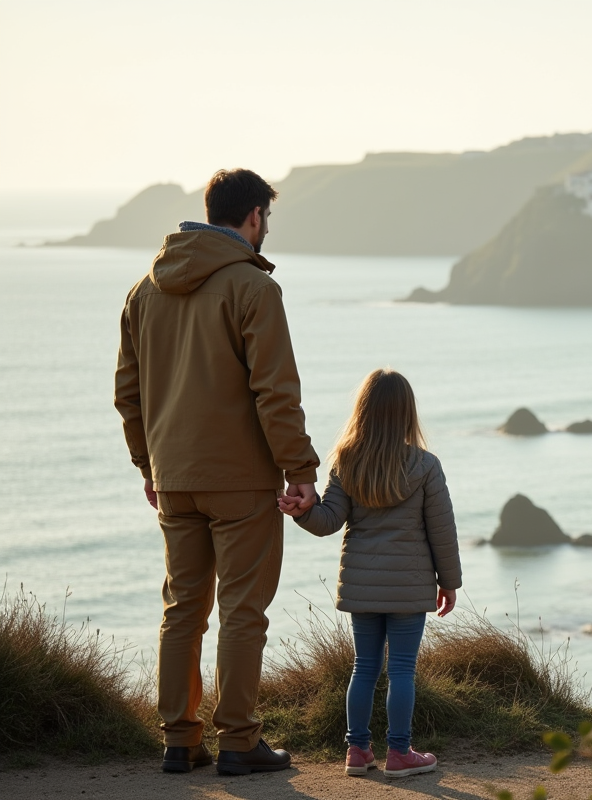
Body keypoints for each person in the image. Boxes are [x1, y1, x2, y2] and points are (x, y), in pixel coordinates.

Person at [114, 169, 319, 775]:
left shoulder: (143, 292)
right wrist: (300, 471)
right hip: (241, 479)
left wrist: (147, 464)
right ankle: (238, 743)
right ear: (254, 216)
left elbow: (129, 394)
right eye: (267, 220)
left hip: (173, 476)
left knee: (182, 609)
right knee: (242, 611)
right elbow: (274, 392)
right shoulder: (251, 288)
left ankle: (180, 741)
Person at [279, 368, 461, 779]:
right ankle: (400, 754)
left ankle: (357, 751)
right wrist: (449, 582)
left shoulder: (346, 461)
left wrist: (300, 513)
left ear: (363, 411)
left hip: (362, 585)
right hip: (409, 588)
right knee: (400, 670)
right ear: (406, 414)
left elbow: (328, 521)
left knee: (364, 667)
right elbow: (442, 531)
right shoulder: (426, 466)